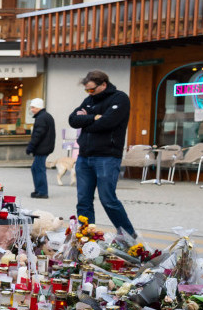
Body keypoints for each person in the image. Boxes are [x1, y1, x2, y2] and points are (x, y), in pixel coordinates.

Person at [68, 70, 137, 239]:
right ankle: (86, 237)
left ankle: (128, 235)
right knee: (83, 200)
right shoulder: (89, 100)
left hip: (107, 156)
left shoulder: (119, 98)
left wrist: (87, 121)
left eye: (92, 89)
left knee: (108, 199)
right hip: (84, 156)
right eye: (87, 90)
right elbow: (73, 120)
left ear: (104, 84)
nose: (89, 93)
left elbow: (107, 122)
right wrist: (94, 118)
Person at [26, 98, 56, 199]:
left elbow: (38, 135)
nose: (32, 110)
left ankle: (42, 192)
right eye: (31, 107)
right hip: (44, 147)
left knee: (38, 169)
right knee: (36, 168)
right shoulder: (45, 116)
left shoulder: (41, 118)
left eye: (33, 107)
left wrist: (30, 147)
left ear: (39, 107)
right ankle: (39, 190)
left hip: (42, 148)